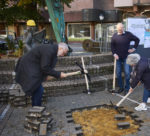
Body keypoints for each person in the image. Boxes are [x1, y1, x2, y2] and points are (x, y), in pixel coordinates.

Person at [15, 42, 69, 106]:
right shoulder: (50, 50)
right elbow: (45, 68)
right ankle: (37, 108)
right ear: (60, 48)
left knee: (36, 90)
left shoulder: (52, 50)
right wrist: (58, 74)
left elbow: (46, 66)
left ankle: (35, 108)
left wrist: (49, 76)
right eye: (64, 53)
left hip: (31, 67)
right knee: (39, 89)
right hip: (27, 67)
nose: (63, 55)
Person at [111, 23, 140, 94]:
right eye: (119, 29)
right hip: (118, 58)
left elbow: (137, 40)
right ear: (117, 29)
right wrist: (114, 54)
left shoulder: (128, 34)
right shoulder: (114, 36)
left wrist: (133, 48)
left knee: (127, 73)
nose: (120, 30)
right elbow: (112, 46)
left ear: (123, 28)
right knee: (118, 73)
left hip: (126, 57)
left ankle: (127, 88)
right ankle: (121, 87)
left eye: (121, 28)